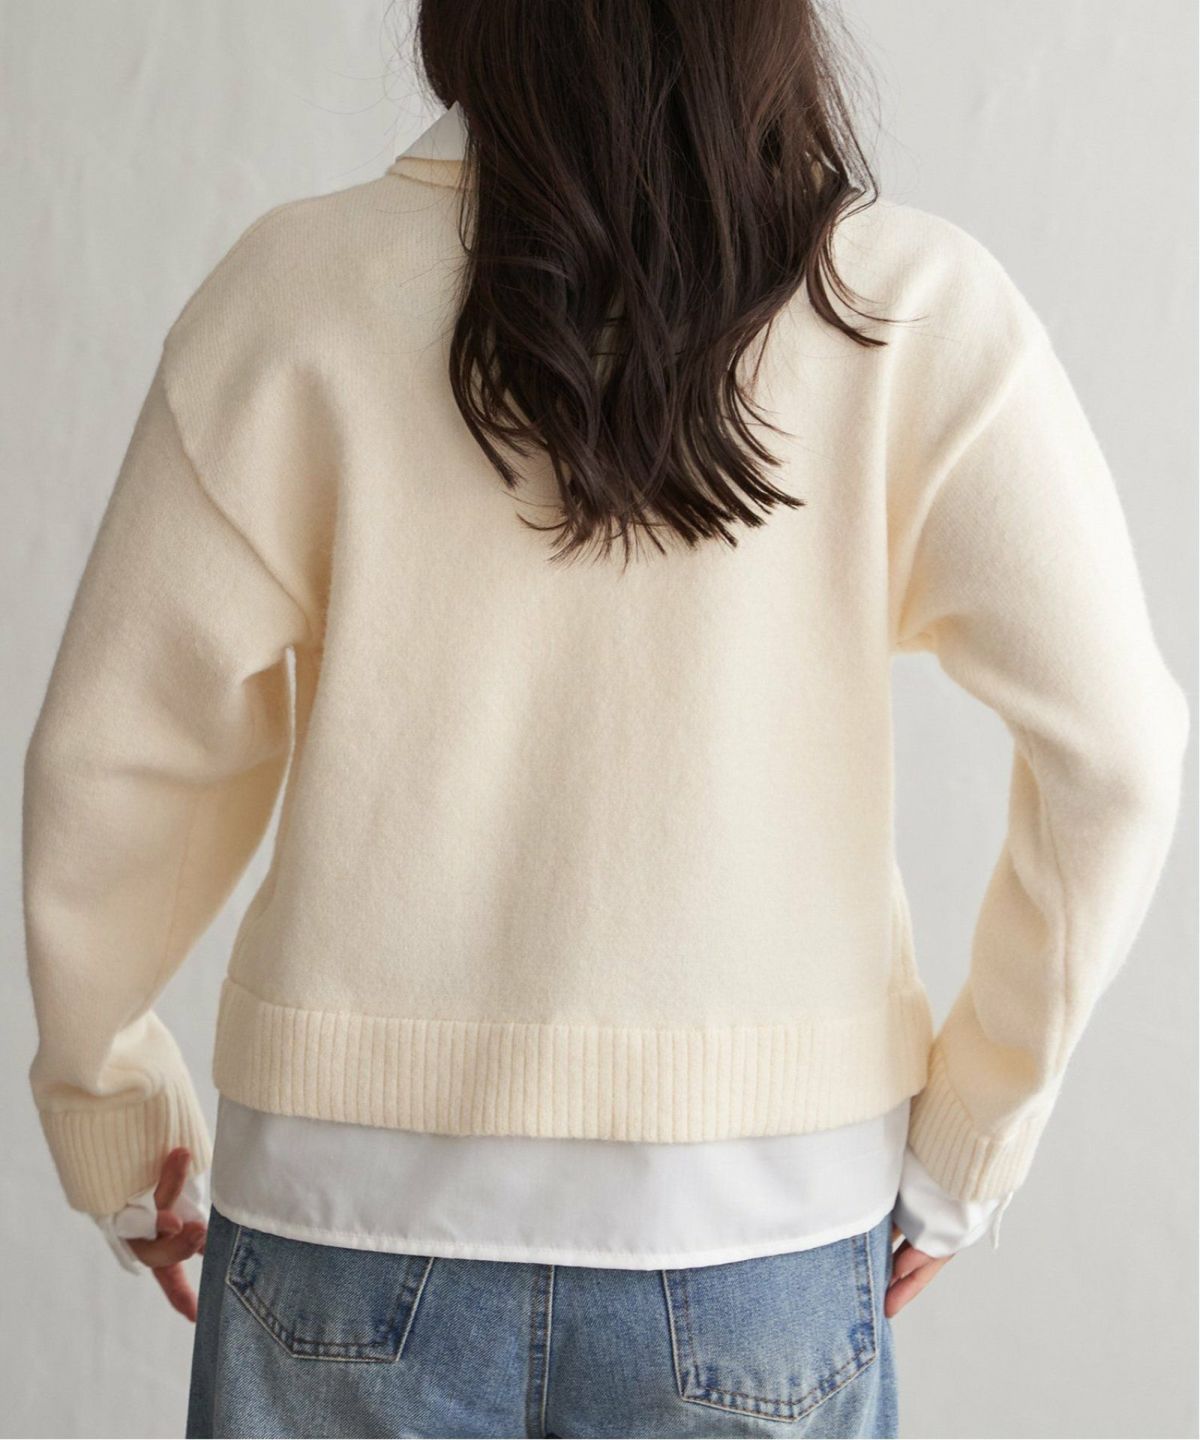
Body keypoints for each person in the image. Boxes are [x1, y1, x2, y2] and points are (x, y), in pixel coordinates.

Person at [21, 4, 1188, 1438]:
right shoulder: (909, 308)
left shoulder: (297, 291)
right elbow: (1118, 753)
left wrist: (111, 1107)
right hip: (763, 1228)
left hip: (346, 1218)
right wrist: (972, 1137)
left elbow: (119, 756)